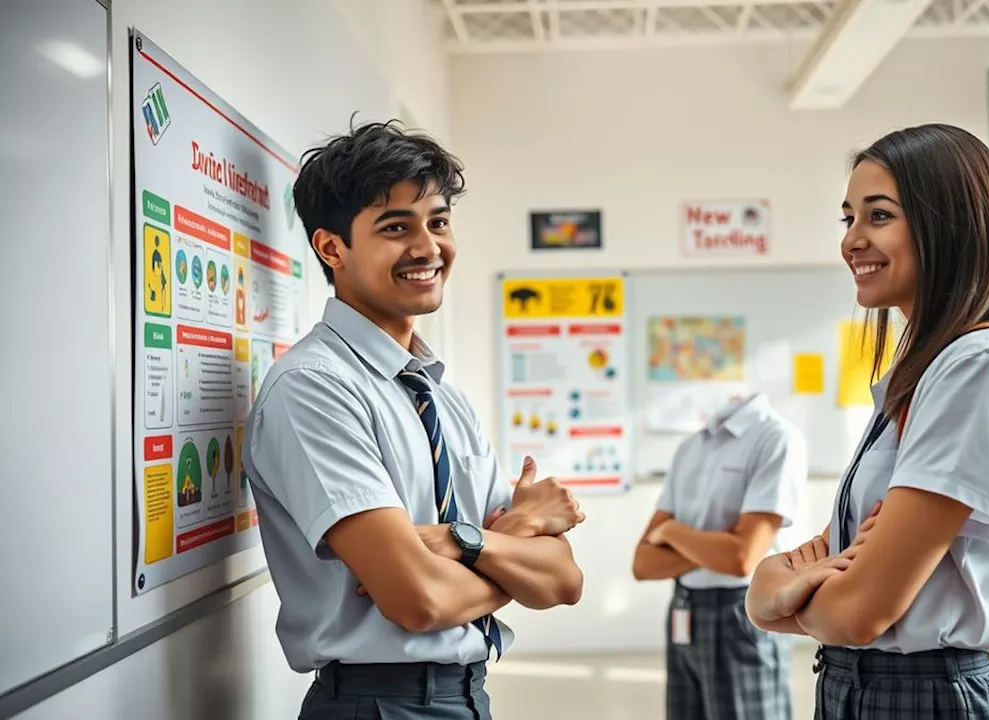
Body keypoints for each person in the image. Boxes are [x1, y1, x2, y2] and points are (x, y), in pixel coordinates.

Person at [243, 120, 586, 720]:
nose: (428, 248)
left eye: (439, 222)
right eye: (396, 228)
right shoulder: (316, 390)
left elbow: (564, 582)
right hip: (379, 703)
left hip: (467, 694)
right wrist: (518, 538)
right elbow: (420, 600)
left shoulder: (440, 394)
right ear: (332, 248)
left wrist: (461, 541)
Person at [745, 123, 989, 719]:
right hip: (863, 686)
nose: (852, 241)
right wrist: (775, 579)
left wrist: (774, 597)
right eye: (848, 219)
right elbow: (836, 553)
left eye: (879, 216)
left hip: (928, 696)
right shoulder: (926, 371)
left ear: (950, 224)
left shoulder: (982, 365)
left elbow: (858, 610)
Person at [633, 391, 807, 720]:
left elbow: (741, 559)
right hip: (683, 608)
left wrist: (672, 532)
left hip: (740, 611)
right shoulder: (691, 447)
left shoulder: (775, 437)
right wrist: (721, 545)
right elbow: (643, 562)